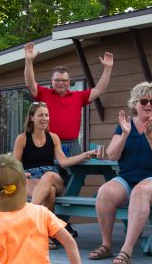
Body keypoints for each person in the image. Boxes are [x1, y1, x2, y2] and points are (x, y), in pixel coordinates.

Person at [87, 82, 152, 264]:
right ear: (135, 103)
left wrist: (150, 135)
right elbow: (112, 155)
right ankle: (106, 245)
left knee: (140, 191)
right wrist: (124, 134)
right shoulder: (125, 125)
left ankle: (127, 250)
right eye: (144, 100)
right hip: (129, 179)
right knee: (105, 191)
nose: (148, 105)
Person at [13, 102, 98, 249]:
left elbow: (64, 162)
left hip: (53, 176)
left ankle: (27, 219)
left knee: (49, 177)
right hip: (31, 177)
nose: (45, 118)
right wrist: (21, 173)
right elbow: (14, 164)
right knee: (49, 193)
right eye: (41, 115)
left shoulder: (53, 138)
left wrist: (85, 155)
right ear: (32, 118)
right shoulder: (22, 138)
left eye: (47, 115)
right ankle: (46, 235)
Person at [24, 41, 113, 156]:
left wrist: (108, 68)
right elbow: (30, 83)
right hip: (49, 143)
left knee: (77, 173)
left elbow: (99, 90)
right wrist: (29, 60)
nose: (60, 83)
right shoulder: (44, 93)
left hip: (73, 145)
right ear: (52, 81)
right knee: (50, 173)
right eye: (57, 80)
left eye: (64, 80)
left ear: (69, 82)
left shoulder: (78, 96)